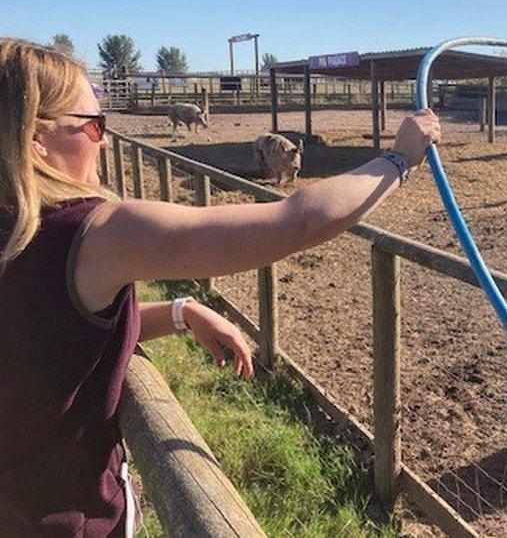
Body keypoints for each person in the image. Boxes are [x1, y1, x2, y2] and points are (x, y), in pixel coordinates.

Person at [0, 38, 440, 537]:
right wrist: (399, 160)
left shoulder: (16, 235)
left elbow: (47, 336)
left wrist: (182, 312)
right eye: (94, 125)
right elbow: (293, 222)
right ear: (38, 139)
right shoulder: (92, 231)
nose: (103, 140)